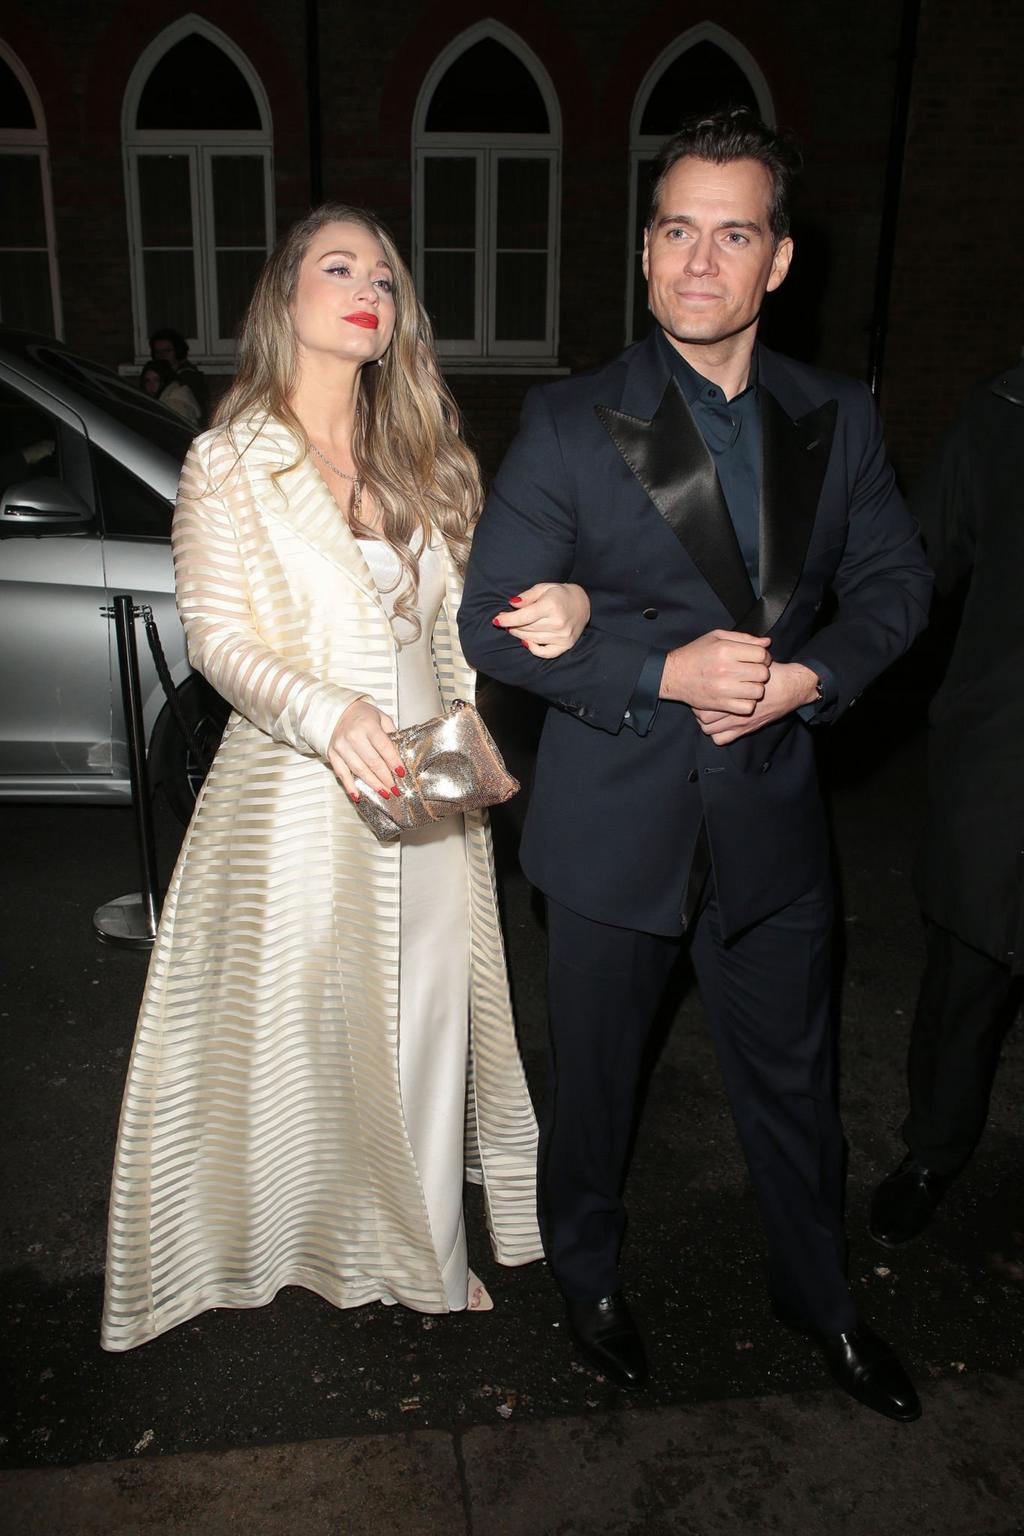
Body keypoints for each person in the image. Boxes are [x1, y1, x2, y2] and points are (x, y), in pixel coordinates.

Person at [458, 109, 933, 1421]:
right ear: (646, 248)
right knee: (596, 1089)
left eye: (733, 234)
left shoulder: (837, 415)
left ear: (778, 260)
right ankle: (589, 1279)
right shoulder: (568, 422)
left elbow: (896, 587)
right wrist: (659, 671)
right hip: (615, 825)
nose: (700, 260)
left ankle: (819, 1295)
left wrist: (808, 678)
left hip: (770, 822)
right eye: (676, 230)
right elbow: (486, 617)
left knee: (796, 1088)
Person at [102, 203, 589, 1350]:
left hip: (431, 786)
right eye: (339, 267)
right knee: (313, 1037)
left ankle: (425, 1255)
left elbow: (462, 623)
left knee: (428, 1018)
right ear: (286, 297)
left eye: (383, 276)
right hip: (295, 792)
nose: (368, 287)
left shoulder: (421, 459)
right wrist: (328, 712)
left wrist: (542, 630)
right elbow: (217, 639)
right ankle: (317, 1234)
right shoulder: (230, 460)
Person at [870, 359, 1024, 1247]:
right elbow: (911, 566)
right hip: (1002, 751)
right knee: (967, 970)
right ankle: (932, 1151)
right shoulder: (1004, 414)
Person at [149, 327, 209, 426]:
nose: (162, 355)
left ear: (178, 351)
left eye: (167, 351)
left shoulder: (189, 377)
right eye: (158, 352)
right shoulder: (159, 373)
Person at [140, 357, 201, 426]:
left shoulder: (174, 403)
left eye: (156, 380)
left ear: (165, 380)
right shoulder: (165, 400)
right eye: (147, 381)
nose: (151, 385)